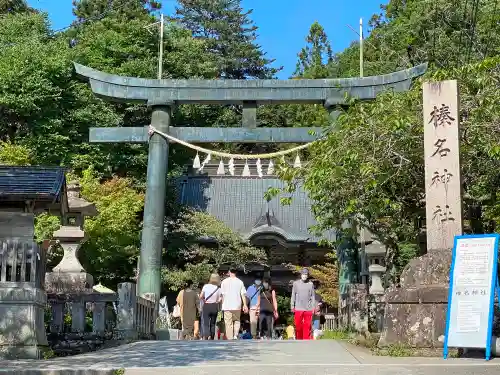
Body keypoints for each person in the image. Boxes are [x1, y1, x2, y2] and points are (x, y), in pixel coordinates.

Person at [220, 267, 248, 340]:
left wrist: (222, 304)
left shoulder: (224, 282)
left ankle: (230, 338)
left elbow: (222, 295)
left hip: (227, 305)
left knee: (228, 322)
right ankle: (235, 335)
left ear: (229, 272)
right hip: (237, 305)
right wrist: (244, 305)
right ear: (236, 272)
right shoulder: (240, 282)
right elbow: (243, 294)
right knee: (237, 320)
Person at [291, 268, 315, 340]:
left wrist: (313, 307)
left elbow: (313, 296)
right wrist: (292, 306)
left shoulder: (310, 284)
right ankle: (299, 339)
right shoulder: (296, 283)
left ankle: (306, 341)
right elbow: (293, 295)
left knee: (307, 326)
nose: (304, 276)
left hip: (308, 308)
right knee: (298, 325)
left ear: (308, 276)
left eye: (306, 274)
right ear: (301, 275)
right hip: (298, 307)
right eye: (303, 274)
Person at [200, 273, 221, 340]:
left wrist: (204, 299)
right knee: (213, 323)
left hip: (206, 305)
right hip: (214, 306)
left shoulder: (206, 286)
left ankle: (206, 335)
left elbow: (201, 296)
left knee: (206, 322)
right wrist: (217, 301)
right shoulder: (218, 288)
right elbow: (221, 298)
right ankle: (212, 336)